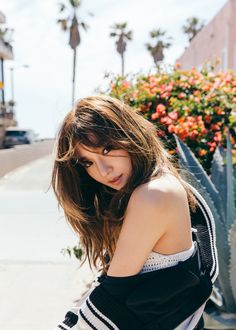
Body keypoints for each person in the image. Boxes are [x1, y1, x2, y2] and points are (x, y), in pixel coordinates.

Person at [52, 95, 218, 330]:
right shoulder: (157, 186)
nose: (103, 170)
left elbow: (112, 298)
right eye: (87, 162)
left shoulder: (152, 194)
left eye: (107, 148)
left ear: (128, 133)